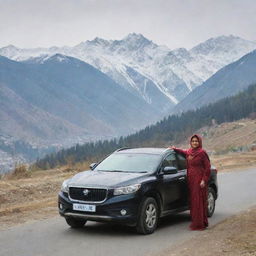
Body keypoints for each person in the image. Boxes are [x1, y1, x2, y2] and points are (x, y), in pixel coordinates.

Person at [170, 134, 211, 230]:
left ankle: (199, 224)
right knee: (193, 202)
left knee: (198, 202)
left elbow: (207, 167)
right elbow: (183, 152)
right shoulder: (189, 152)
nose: (194, 143)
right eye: (193, 141)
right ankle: (196, 222)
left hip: (199, 180)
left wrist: (203, 180)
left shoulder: (202, 153)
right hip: (191, 180)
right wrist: (175, 149)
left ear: (199, 142)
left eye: (196, 141)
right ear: (191, 142)